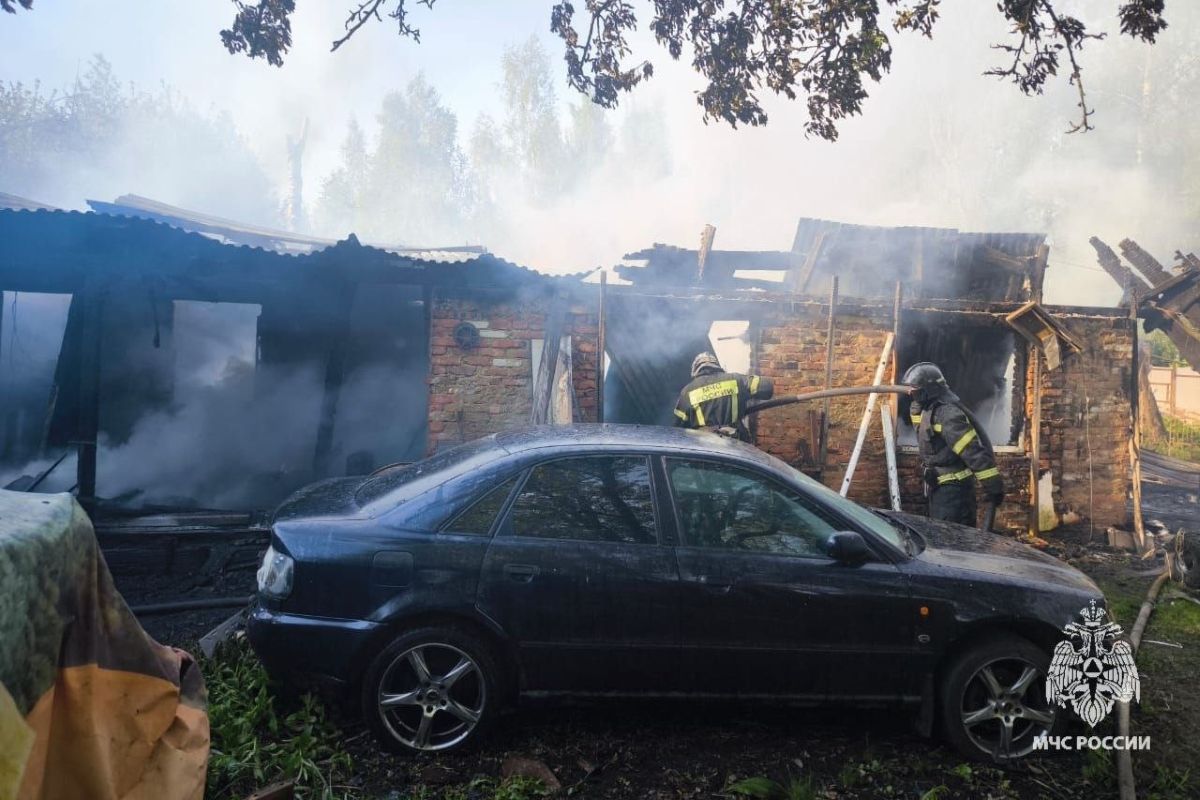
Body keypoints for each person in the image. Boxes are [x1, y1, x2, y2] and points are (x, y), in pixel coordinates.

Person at [902, 361, 1004, 527]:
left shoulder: (948, 414)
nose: (911, 391)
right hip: (938, 488)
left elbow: (972, 452)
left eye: (915, 388)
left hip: (955, 494)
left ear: (930, 389)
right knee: (940, 537)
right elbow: (919, 427)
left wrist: (993, 485)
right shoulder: (928, 409)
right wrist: (916, 402)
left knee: (954, 542)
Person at [673, 352, 774, 442]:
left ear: (696, 371)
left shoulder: (687, 392)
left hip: (705, 450)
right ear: (716, 366)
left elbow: (677, 430)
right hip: (738, 446)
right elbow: (767, 388)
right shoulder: (736, 380)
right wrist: (745, 394)